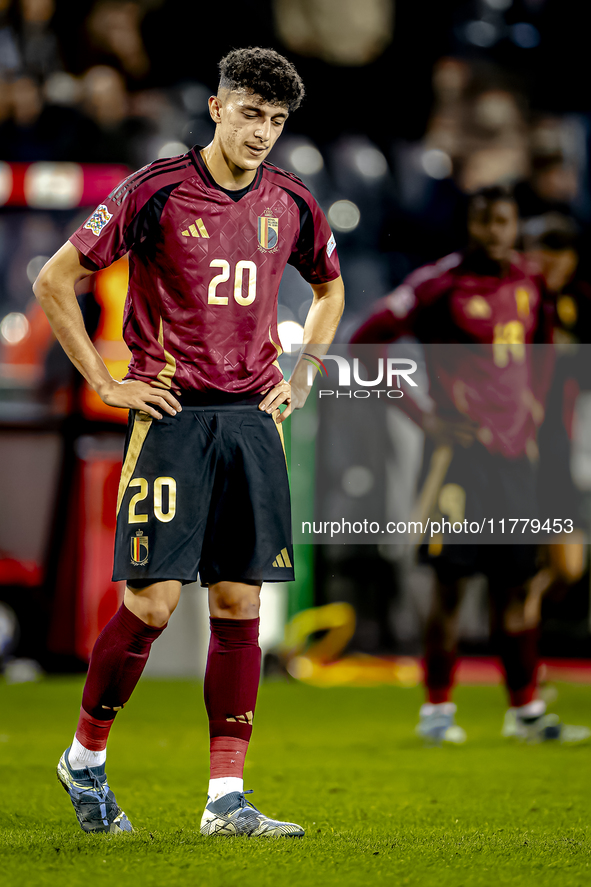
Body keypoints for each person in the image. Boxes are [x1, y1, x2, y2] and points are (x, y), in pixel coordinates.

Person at [34, 46, 344, 836]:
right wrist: (106, 382)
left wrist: (304, 368)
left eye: (275, 121)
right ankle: (85, 757)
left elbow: (329, 286)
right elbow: (53, 280)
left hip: (251, 420)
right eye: (249, 114)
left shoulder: (294, 202)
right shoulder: (158, 190)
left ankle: (225, 801)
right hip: (172, 415)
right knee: (153, 602)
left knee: (241, 602)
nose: (261, 133)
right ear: (216, 108)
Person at [351, 186, 588, 745]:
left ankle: (524, 712)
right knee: (451, 588)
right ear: (469, 227)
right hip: (456, 460)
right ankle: (437, 713)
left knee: (514, 585)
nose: (494, 233)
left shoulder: (528, 282)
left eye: (503, 222)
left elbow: (543, 349)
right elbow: (365, 342)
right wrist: (423, 417)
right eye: (483, 223)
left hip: (513, 463)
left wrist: (531, 411)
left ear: (513, 225)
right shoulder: (438, 284)